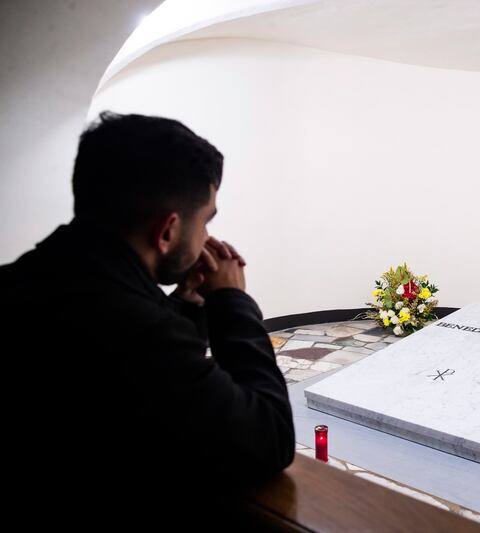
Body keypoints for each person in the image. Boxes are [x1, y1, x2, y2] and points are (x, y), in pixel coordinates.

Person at [0, 112, 295, 530]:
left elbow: (140, 371)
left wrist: (189, 306)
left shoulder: (29, 278)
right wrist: (231, 301)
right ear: (167, 231)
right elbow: (268, 440)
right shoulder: (139, 334)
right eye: (206, 219)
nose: (208, 236)